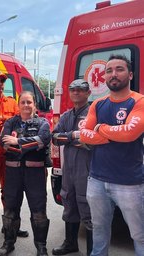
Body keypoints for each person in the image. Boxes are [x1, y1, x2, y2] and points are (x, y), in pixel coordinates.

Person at [80, 54, 144, 256]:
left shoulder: (139, 101)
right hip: (97, 180)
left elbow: (130, 133)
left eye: (119, 69)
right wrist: (110, 134)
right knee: (99, 231)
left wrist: (100, 129)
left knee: (139, 234)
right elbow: (83, 135)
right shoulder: (97, 104)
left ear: (130, 74)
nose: (113, 74)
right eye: (109, 70)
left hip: (130, 183)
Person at [0, 91, 51, 256]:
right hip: (13, 172)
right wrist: (31, 144)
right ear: (18, 105)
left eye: (29, 102)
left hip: (35, 174)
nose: (26, 105)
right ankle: (8, 243)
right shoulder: (10, 122)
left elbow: (43, 140)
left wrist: (18, 141)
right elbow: (3, 142)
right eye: (23, 102)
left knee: (39, 211)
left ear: (34, 105)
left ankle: (41, 247)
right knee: (10, 209)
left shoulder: (43, 122)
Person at [0, 70, 28, 238]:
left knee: (10, 192)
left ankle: (10, 227)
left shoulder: (12, 102)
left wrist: (1, 119)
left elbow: (20, 121)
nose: (1, 84)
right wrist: (3, 119)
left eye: (3, 81)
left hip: (9, 155)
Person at [51, 79, 93, 256]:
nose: (76, 92)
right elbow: (54, 137)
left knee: (88, 208)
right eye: (73, 89)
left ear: (88, 93)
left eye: (80, 89)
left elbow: (94, 137)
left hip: (88, 170)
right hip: (69, 171)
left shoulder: (93, 113)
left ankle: (94, 250)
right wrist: (73, 136)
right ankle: (70, 244)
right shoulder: (67, 116)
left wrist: (70, 138)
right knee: (69, 204)